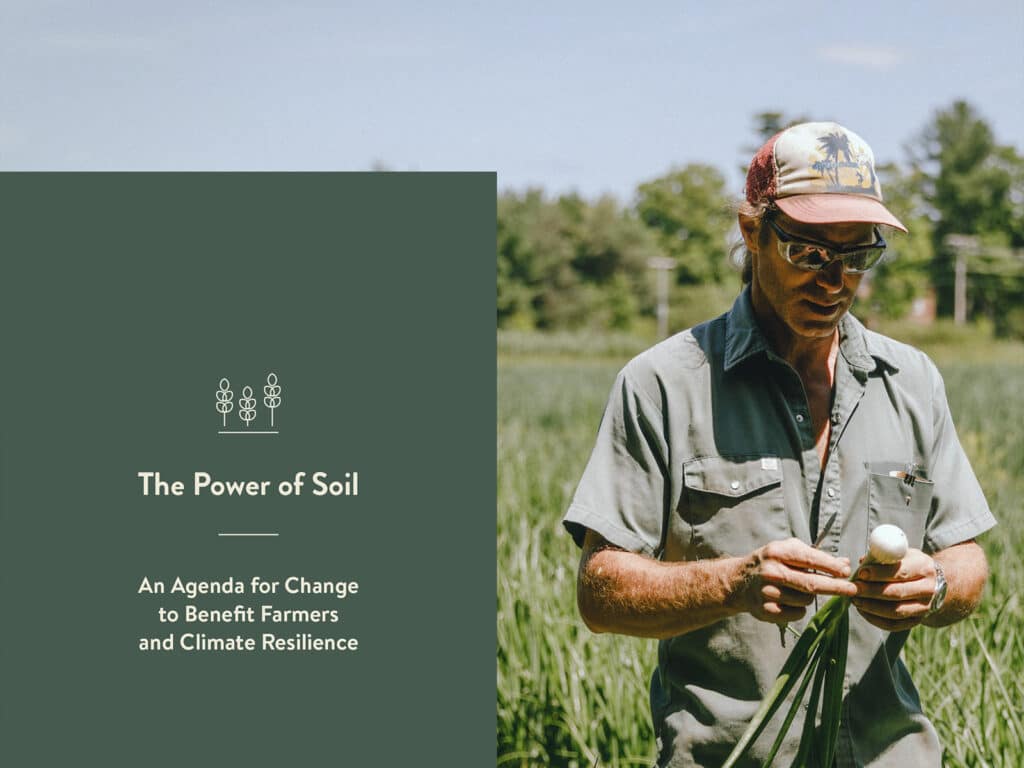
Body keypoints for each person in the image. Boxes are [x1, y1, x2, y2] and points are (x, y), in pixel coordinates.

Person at [562, 121, 996, 767]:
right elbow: (602, 592)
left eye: (857, 255)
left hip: (890, 753)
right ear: (751, 232)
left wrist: (932, 586)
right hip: (730, 755)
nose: (834, 280)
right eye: (809, 252)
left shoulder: (911, 380)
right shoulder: (665, 383)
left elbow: (965, 558)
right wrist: (732, 584)